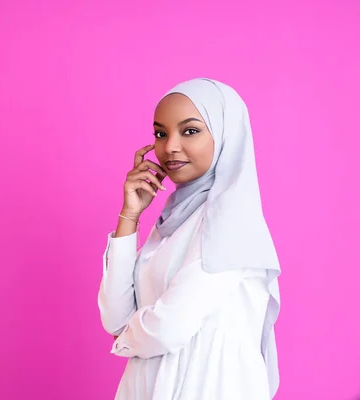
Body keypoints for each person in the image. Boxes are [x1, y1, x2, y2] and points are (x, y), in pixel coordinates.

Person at [97, 78, 281, 399]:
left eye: (190, 131)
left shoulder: (232, 220)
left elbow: (169, 328)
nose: (170, 146)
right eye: (160, 133)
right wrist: (130, 216)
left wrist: (130, 334)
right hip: (148, 385)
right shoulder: (173, 220)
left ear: (225, 135)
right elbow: (115, 317)